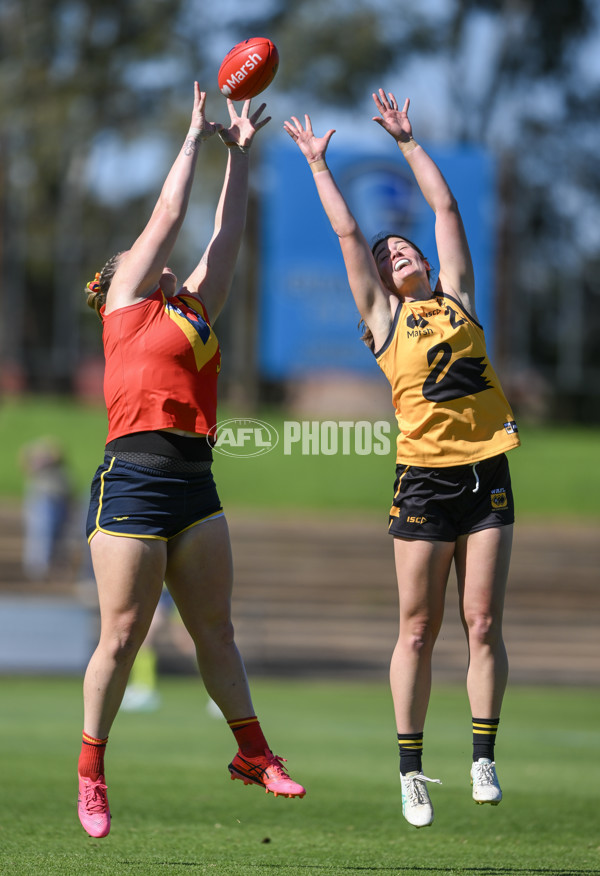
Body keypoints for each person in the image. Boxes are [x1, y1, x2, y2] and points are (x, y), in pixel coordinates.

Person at [284, 89, 520, 829]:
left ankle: (483, 755)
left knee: (482, 622)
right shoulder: (384, 320)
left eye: (405, 248)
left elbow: (448, 215)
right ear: (382, 282)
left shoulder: (460, 298)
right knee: (418, 630)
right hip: (422, 478)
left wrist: (411, 143)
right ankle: (412, 770)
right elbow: (352, 237)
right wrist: (320, 166)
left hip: (488, 469)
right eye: (391, 257)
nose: (400, 253)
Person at [79, 83, 306, 839]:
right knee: (121, 635)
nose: (146, 258)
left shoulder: (194, 312)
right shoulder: (126, 308)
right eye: (131, 258)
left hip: (194, 481)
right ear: (116, 284)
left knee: (218, 629)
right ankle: (92, 773)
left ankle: (254, 753)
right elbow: (171, 217)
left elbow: (226, 232)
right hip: (133, 480)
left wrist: (239, 155)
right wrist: (191, 137)